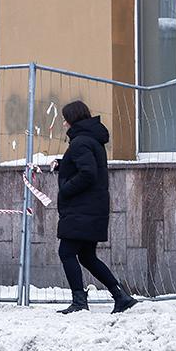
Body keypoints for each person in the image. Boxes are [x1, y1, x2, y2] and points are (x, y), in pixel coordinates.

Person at [50, 100, 138, 314]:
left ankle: (79, 302)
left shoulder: (80, 142)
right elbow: (88, 165)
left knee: (67, 252)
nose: (63, 124)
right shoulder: (91, 140)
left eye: (65, 119)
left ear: (72, 120)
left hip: (82, 209)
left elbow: (88, 173)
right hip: (92, 208)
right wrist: (63, 164)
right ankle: (121, 296)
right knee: (87, 256)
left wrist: (65, 189)